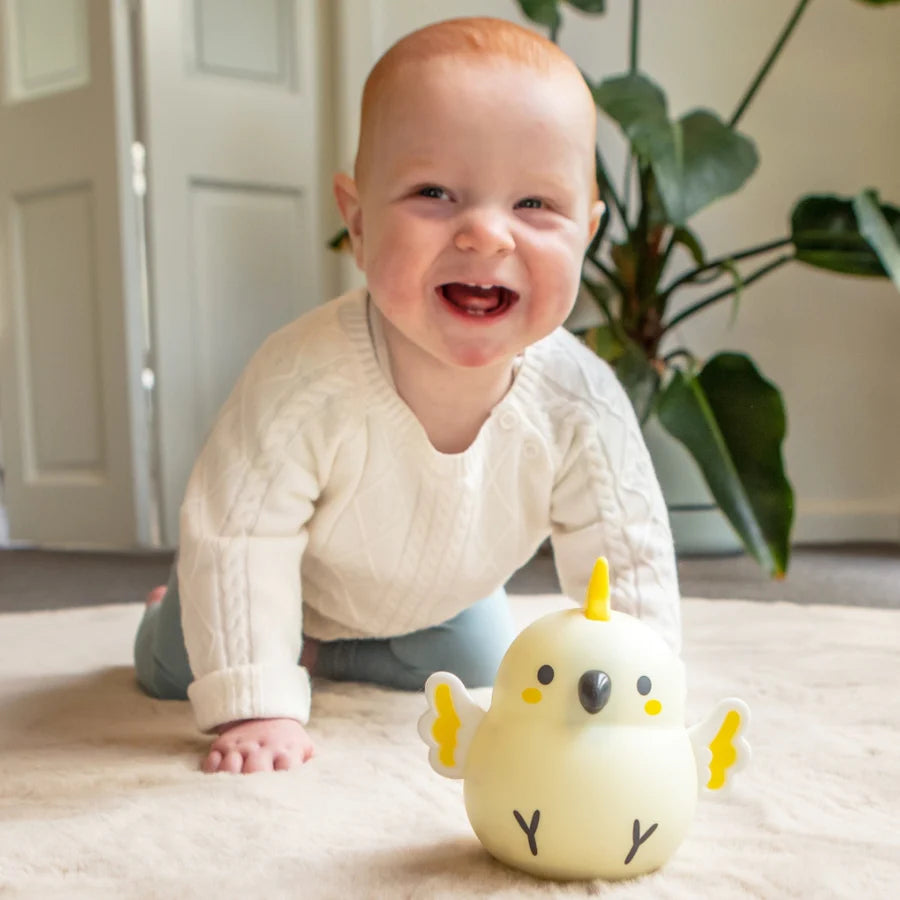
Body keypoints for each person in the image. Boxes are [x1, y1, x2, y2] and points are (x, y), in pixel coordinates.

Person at [133, 16, 681, 775]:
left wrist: (641, 692)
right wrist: (257, 703)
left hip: (440, 599)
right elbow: (240, 531)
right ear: (358, 221)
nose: (487, 235)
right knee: (180, 664)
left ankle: (321, 650)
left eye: (534, 205)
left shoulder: (577, 399)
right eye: (435, 193)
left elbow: (627, 548)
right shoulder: (304, 380)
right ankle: (186, 617)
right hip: (290, 576)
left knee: (482, 659)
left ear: (586, 232)